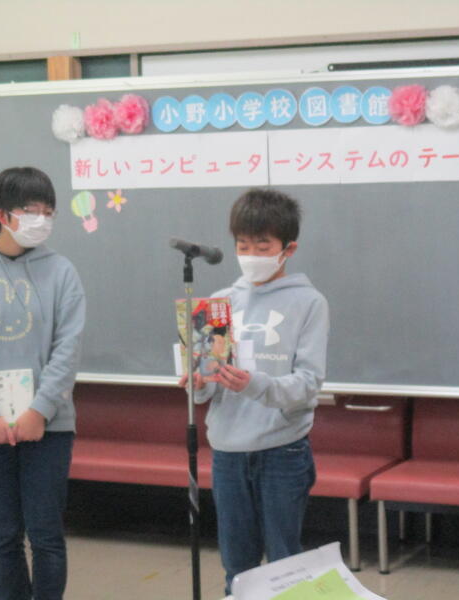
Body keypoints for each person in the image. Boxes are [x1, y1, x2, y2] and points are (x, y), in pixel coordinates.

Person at [0, 167, 85, 600]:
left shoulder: (62, 272)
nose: (42, 219)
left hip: (48, 426)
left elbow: (68, 349)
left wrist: (39, 410)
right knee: (2, 537)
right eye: (31, 210)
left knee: (46, 536)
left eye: (48, 211)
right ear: (2, 215)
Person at [182, 188, 329, 593]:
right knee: (237, 566)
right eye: (243, 246)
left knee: (285, 565)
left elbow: (308, 384)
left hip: (282, 451)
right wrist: (198, 383)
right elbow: (204, 392)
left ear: (288, 249)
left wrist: (254, 384)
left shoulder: (310, 303)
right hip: (228, 452)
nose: (251, 255)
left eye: (262, 247)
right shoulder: (218, 304)